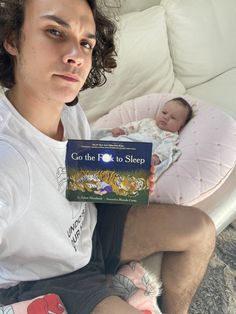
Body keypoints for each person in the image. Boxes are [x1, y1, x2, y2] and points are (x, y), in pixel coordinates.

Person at [0, 1, 216, 314]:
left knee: (200, 230)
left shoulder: (70, 109)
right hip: (49, 277)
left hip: (92, 229)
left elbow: (72, 174)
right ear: (11, 40)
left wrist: (119, 180)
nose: (75, 55)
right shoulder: (7, 159)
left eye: (85, 42)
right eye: (54, 32)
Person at [96, 98, 193, 168]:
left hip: (140, 150)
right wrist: (122, 130)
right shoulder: (147, 122)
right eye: (164, 113)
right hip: (127, 141)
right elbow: (133, 127)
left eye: (173, 118)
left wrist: (157, 156)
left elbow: (167, 147)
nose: (166, 117)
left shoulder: (172, 136)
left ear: (181, 126)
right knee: (109, 140)